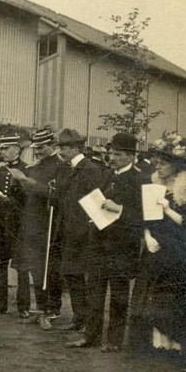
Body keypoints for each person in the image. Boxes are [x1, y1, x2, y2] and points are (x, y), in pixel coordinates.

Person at [65, 132, 142, 351]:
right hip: (99, 242)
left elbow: (143, 217)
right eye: (111, 153)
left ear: (130, 156)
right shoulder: (107, 175)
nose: (112, 157)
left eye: (117, 154)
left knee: (118, 294)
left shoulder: (139, 179)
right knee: (95, 292)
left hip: (122, 246)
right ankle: (91, 336)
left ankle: (114, 340)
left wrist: (120, 210)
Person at [136, 133, 186, 372]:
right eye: (157, 161)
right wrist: (147, 236)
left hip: (182, 248)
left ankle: (180, 345)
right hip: (158, 246)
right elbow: (144, 217)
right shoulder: (153, 183)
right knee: (152, 295)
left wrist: (168, 210)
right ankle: (157, 343)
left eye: (164, 162)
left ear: (177, 165)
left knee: (176, 297)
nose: (158, 166)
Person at [9, 126, 65, 329]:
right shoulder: (34, 167)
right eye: (36, 147)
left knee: (50, 269)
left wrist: (29, 182)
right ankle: (42, 308)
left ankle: (53, 310)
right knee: (35, 269)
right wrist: (20, 184)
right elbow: (24, 196)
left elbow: (58, 196)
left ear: (53, 146)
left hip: (48, 225)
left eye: (41, 147)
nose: (38, 151)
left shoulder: (61, 167)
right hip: (30, 224)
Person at [52, 128, 104, 334]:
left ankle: (86, 318)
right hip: (67, 231)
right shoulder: (67, 168)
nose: (60, 151)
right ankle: (79, 316)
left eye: (64, 147)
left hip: (82, 232)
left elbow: (94, 201)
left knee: (81, 276)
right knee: (72, 275)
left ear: (75, 148)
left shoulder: (90, 169)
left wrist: (84, 228)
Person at [0, 131, 27, 316]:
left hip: (19, 225)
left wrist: (13, 202)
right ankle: (0, 304)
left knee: (21, 266)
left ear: (16, 149)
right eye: (0, 148)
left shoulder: (27, 169)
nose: (2, 151)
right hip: (0, 223)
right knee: (0, 263)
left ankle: (23, 307)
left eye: (6, 148)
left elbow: (29, 199)